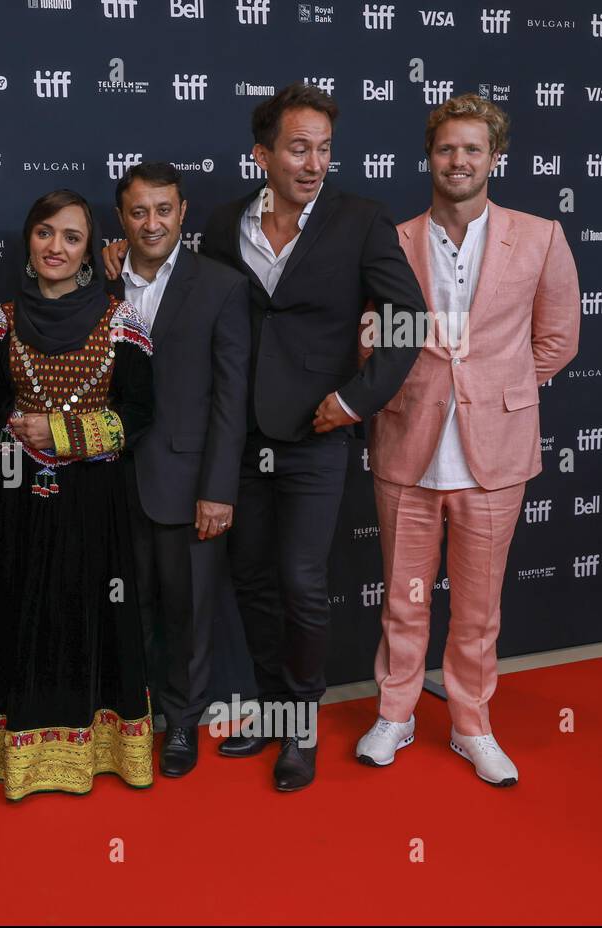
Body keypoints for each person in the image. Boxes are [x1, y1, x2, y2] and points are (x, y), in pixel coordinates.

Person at [195, 83, 427, 791]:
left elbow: (408, 321)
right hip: (239, 436)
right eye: (299, 148)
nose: (314, 162)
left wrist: (354, 401)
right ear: (262, 153)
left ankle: (301, 722)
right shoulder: (223, 223)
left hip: (317, 436)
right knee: (255, 580)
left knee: (301, 580)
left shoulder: (361, 220)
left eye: (324, 148)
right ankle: (269, 709)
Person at [357, 95, 580, 785]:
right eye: (447, 149)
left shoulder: (540, 236)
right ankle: (394, 713)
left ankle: (471, 723)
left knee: (480, 608)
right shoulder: (390, 240)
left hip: (495, 453)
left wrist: (497, 387)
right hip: (406, 446)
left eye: (473, 150)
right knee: (404, 595)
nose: (459, 161)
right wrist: (424, 384)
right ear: (430, 156)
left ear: (494, 157)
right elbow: (368, 335)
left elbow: (557, 340)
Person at [0, 189, 155, 801]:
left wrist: (62, 431)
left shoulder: (123, 322)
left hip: (93, 504)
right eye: (44, 234)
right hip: (13, 503)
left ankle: (96, 750)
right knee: (14, 614)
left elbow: (140, 413)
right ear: (28, 242)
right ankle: (8, 752)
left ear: (90, 250)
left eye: (71, 237)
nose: (55, 247)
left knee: (89, 614)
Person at [105, 162, 251, 778]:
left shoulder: (220, 286)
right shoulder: (100, 283)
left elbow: (230, 397)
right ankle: (130, 722)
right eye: (139, 212)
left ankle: (183, 726)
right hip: (110, 480)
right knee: (124, 609)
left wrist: (219, 489)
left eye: (163, 210)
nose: (151, 223)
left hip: (188, 483)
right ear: (122, 219)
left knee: (188, 614)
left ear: (183, 212)